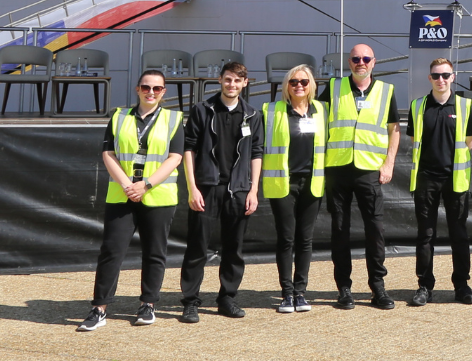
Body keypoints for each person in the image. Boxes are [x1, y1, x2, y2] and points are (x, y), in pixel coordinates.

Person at [79, 70, 186, 331]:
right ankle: (99, 308)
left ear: (164, 92)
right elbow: (108, 153)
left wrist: (146, 184)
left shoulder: (174, 119)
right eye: (146, 87)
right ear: (137, 89)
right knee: (111, 251)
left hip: (157, 195)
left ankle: (148, 304)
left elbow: (175, 157)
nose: (151, 92)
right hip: (122, 195)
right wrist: (128, 185)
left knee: (155, 252)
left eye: (157, 89)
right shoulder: (118, 116)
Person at [177, 60, 263, 322]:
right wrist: (193, 188)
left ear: (245, 84)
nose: (232, 84)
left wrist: (253, 191)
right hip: (207, 188)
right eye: (228, 79)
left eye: (237, 80)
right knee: (197, 247)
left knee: (234, 249)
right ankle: (190, 301)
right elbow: (188, 149)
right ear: (220, 80)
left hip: (238, 190)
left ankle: (227, 298)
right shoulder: (203, 110)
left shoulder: (252, 114)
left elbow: (257, 153)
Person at [325, 42, 401, 309]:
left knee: (375, 230)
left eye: (366, 58)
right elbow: (318, 124)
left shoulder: (386, 90)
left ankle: (377, 287)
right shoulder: (333, 88)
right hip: (337, 168)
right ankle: (344, 289)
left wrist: (389, 163)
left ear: (374, 62)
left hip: (369, 170)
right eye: (356, 58)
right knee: (339, 230)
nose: (361, 62)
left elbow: (394, 129)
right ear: (349, 62)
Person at [406, 57, 472, 305]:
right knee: (425, 235)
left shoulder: (464, 106)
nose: (441, 80)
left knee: (459, 234)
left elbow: (471, 140)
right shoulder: (418, 106)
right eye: (436, 75)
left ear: (453, 77)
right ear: (429, 78)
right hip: (426, 178)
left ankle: (462, 286)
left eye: (445, 75)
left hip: (455, 179)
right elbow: (414, 138)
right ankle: (424, 286)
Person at [261, 63, 327, 313]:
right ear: (286, 86)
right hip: (283, 183)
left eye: (304, 82)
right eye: (293, 82)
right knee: (286, 239)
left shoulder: (322, 110)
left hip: (312, 182)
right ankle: (286, 293)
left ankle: (301, 292)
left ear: (311, 85)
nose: (299, 86)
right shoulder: (272, 110)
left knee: (305, 239)